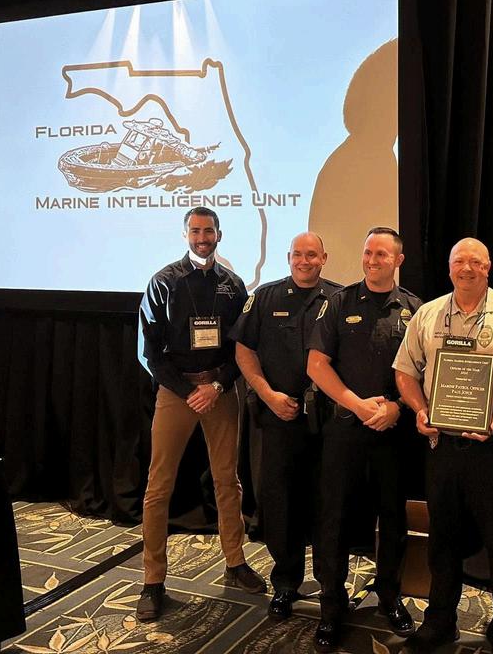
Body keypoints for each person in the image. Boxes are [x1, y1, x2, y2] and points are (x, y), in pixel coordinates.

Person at [394, 238, 493, 654]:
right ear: (449, 267)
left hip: (492, 447)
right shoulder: (428, 314)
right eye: (459, 261)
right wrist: (419, 410)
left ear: (488, 267)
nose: (467, 269)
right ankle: (440, 621)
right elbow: (404, 371)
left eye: (476, 262)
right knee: (442, 539)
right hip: (441, 446)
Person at [136, 206, 265, 622]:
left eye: (208, 231)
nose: (202, 237)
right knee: (159, 486)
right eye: (195, 231)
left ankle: (235, 561)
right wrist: (188, 391)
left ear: (219, 235)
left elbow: (240, 348)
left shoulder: (233, 285)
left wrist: (217, 386)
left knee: (228, 480)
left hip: (219, 391)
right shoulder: (163, 282)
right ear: (185, 235)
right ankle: (153, 580)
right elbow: (149, 352)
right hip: (177, 392)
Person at [306, 227, 421, 652]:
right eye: (368, 252)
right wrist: (356, 405)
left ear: (398, 260)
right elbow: (317, 365)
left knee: (392, 520)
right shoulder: (338, 303)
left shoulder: (415, 309)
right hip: (345, 431)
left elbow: (426, 371)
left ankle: (390, 597)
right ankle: (331, 606)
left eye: (381, 254)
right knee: (334, 520)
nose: (372, 260)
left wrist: (397, 407)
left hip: (393, 433)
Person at [229, 232, 342, 621]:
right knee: (280, 504)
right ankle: (286, 583)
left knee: (327, 505)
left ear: (324, 258)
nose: (304, 261)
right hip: (279, 417)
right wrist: (267, 395)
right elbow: (244, 350)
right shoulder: (265, 297)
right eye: (298, 254)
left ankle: (330, 584)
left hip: (328, 422)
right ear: (287, 257)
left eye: (312, 254)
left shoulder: (339, 299)